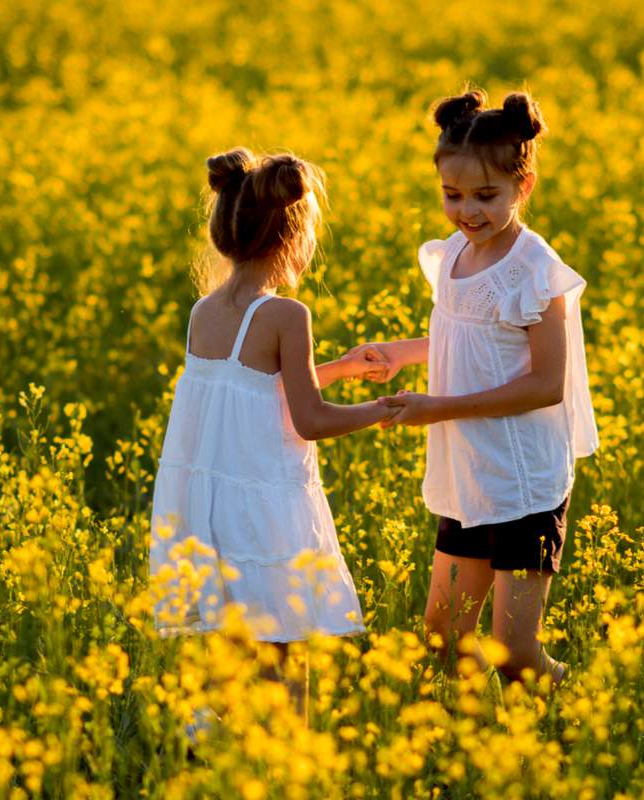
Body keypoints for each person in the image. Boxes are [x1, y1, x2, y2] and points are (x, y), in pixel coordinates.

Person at [359, 89, 599, 686]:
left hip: (522, 480)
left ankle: (575, 712)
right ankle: (472, 755)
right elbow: (469, 334)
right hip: (469, 472)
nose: (467, 210)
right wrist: (403, 354)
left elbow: (545, 384)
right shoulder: (457, 254)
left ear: (525, 186)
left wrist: (437, 408)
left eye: (485, 196)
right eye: (452, 194)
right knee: (443, 640)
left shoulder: (534, 269)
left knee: (513, 656)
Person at [149, 148, 393, 725]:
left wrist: (340, 368)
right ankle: (287, 766)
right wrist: (384, 408)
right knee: (286, 661)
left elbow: (250, 389)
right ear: (294, 239)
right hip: (266, 514)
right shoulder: (287, 315)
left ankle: (203, 749)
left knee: (230, 659)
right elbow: (310, 420)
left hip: (211, 515)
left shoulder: (204, 311)